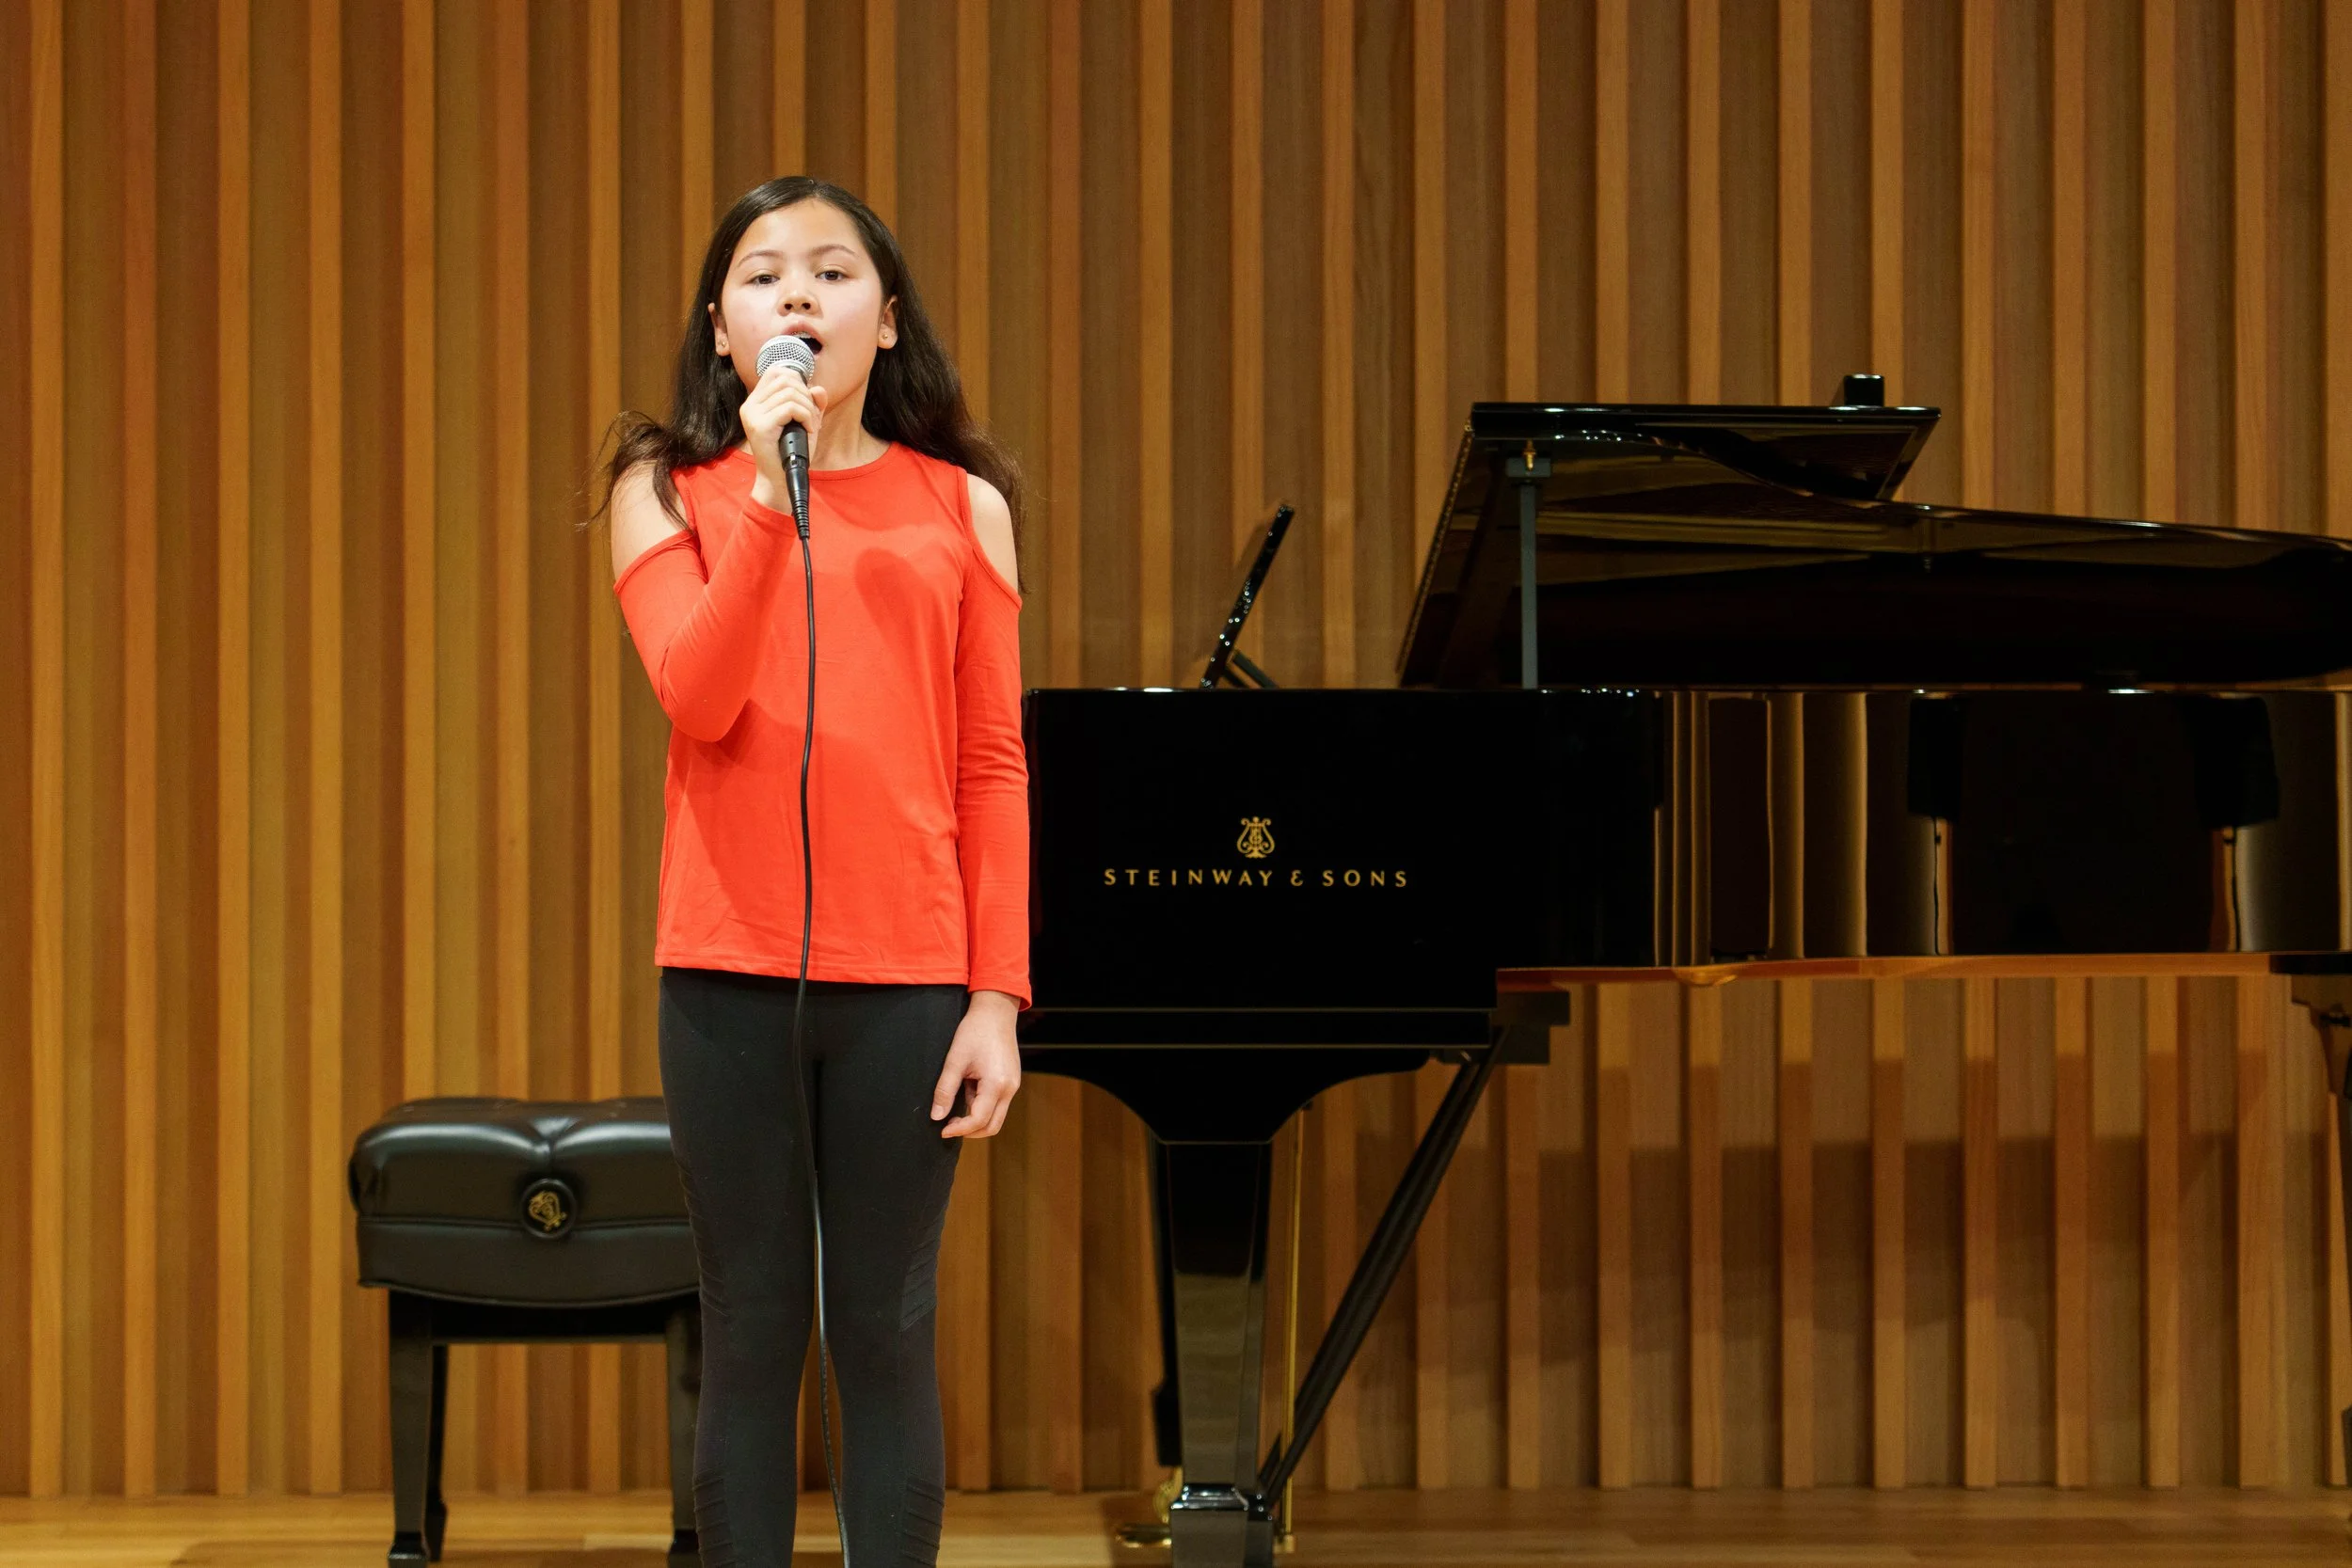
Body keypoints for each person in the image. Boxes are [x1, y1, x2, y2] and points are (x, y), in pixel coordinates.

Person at [600, 176, 1027, 1568]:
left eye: (833, 273)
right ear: (724, 333)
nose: (798, 294)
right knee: (754, 1325)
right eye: (764, 275)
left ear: (885, 320)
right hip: (724, 974)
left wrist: (997, 997)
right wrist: (771, 513)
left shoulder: (963, 507)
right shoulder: (666, 492)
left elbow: (992, 768)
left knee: (886, 1331)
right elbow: (700, 694)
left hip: (910, 977)